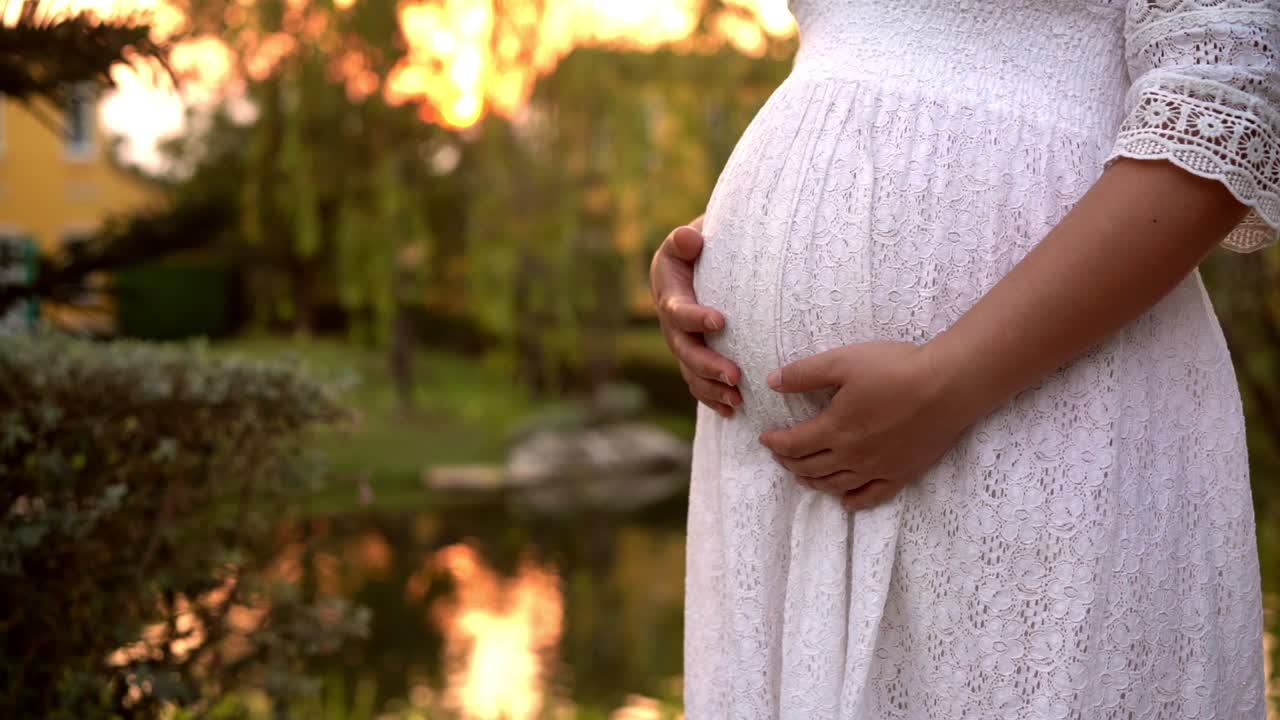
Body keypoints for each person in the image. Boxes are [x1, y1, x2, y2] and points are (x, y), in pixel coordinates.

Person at [649, 0, 1279, 717]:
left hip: (1038, 416)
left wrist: (947, 380)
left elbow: (1226, 109)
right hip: (772, 485)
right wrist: (722, 242)